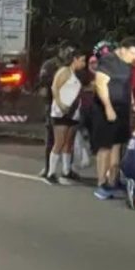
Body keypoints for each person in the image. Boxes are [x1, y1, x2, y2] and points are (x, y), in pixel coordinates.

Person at [92, 38, 135, 200]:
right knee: (105, 145)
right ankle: (101, 183)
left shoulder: (126, 64)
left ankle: (114, 180)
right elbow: (100, 84)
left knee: (117, 146)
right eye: (132, 53)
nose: (134, 57)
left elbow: (127, 86)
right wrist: (108, 107)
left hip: (122, 108)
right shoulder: (108, 60)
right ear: (123, 49)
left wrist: (133, 104)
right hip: (106, 109)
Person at [46, 49, 87, 185]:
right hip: (61, 111)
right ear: (74, 59)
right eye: (82, 60)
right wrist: (60, 104)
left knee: (69, 143)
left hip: (73, 111)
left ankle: (66, 170)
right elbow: (55, 88)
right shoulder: (64, 71)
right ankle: (51, 172)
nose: (84, 63)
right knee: (60, 141)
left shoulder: (78, 75)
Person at [37, 46, 67, 178]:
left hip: (70, 104)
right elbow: (43, 82)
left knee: (69, 139)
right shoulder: (50, 65)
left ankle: (67, 169)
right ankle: (48, 168)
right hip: (52, 103)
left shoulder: (71, 65)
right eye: (66, 50)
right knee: (51, 137)